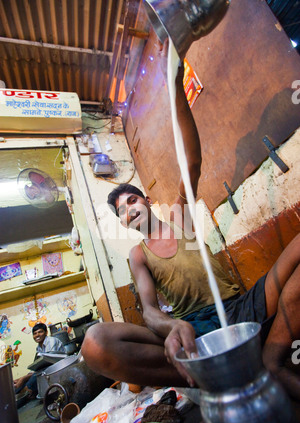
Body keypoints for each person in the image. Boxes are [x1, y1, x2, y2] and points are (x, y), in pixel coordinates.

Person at [81, 46, 300, 402]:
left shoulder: (180, 218)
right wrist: (172, 325)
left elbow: (191, 160)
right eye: (122, 211)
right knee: (96, 343)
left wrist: (175, 85)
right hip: (193, 331)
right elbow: (150, 311)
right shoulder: (138, 255)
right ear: (124, 222)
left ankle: (271, 360)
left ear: (148, 202)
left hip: (241, 307)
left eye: (132, 200)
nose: (129, 210)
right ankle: (212, 381)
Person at [14, 323, 66, 398]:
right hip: (49, 368)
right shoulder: (39, 348)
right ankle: (19, 393)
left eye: (40, 332)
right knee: (23, 382)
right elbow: (36, 366)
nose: (37, 335)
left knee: (36, 376)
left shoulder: (51, 341)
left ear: (46, 333)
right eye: (35, 333)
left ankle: (26, 393)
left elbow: (49, 364)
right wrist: (21, 379)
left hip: (59, 368)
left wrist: (24, 378)